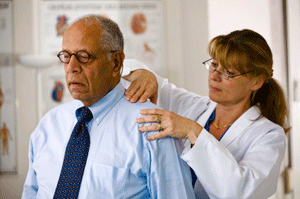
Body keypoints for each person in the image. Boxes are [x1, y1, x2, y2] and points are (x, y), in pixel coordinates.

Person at [22, 15, 195, 199]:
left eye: (83, 57)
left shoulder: (151, 129)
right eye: (66, 56)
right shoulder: (49, 125)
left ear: (116, 63)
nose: (71, 67)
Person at [121, 29, 289, 198]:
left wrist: (193, 131)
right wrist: (143, 74)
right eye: (214, 65)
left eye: (229, 73)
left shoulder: (269, 136)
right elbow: (153, 83)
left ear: (256, 81)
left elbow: (240, 192)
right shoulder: (195, 107)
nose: (214, 77)